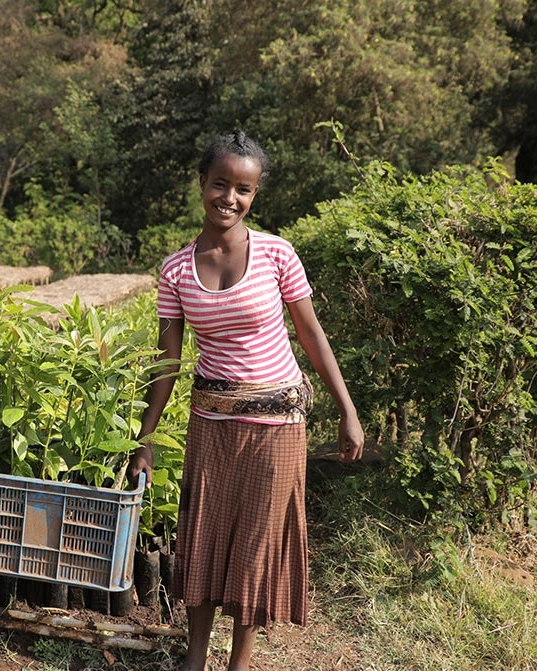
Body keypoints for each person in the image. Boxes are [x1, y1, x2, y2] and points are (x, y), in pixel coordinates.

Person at [128, 130, 364, 671]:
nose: (229, 199)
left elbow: (311, 335)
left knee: (256, 547)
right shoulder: (176, 269)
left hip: (279, 424)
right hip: (212, 424)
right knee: (205, 538)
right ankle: (194, 659)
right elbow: (166, 363)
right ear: (202, 185)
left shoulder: (277, 254)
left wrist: (347, 411)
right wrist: (145, 440)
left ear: (254, 193)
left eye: (243, 189)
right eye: (220, 185)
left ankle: (239, 662)